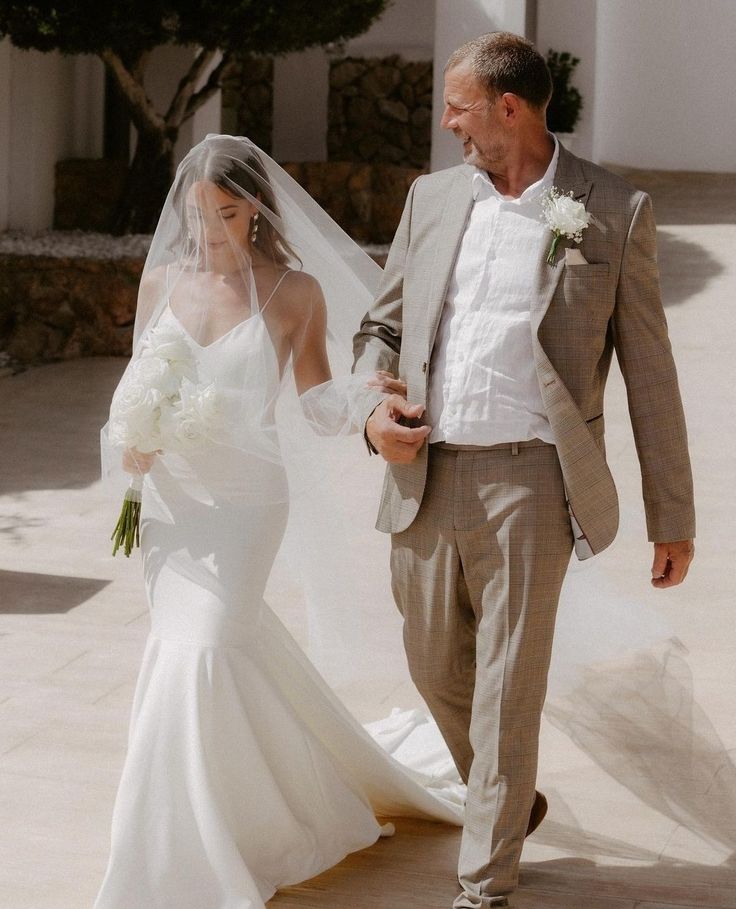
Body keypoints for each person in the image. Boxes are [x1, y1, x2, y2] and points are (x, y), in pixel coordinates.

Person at [352, 32, 695, 909]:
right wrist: (371, 409)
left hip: (533, 483)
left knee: (510, 688)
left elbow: (649, 369)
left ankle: (485, 882)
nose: (447, 121)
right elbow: (380, 328)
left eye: (459, 105)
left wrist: (672, 512)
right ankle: (513, 801)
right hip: (425, 473)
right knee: (435, 667)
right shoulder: (431, 200)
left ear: (510, 108)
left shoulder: (611, 208)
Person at [96, 134, 465, 909]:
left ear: (255, 209)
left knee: (203, 649)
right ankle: (243, 811)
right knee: (201, 653)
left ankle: (188, 854)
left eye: (225, 214)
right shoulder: (162, 279)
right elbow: (138, 380)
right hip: (170, 511)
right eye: (197, 218)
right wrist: (130, 438)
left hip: (242, 507)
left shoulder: (293, 292)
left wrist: (369, 400)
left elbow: (314, 400)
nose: (209, 234)